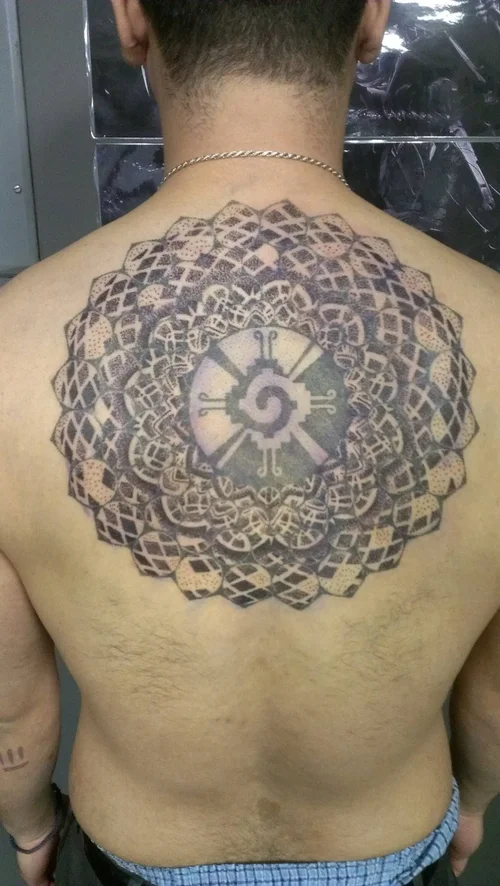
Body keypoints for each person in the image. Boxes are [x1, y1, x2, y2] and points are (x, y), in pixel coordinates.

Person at [0, 1, 499, 884]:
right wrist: (478, 801)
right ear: (371, 20)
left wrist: (32, 829)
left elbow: (10, 704)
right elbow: (495, 694)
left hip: (133, 853)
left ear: (131, 20)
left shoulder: (11, 347)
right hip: (391, 845)